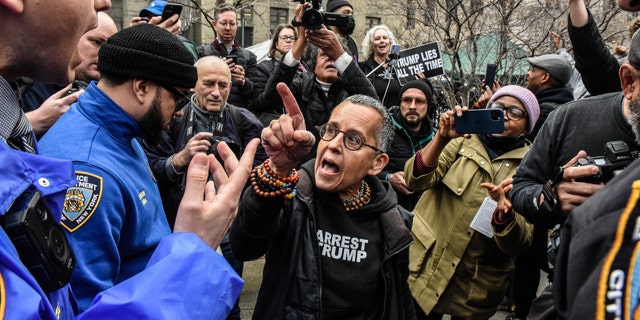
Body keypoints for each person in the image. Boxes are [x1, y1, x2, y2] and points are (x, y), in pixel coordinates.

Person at [1, 1, 258, 318]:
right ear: (142, 87)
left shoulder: (121, 131)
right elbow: (80, 308)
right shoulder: (90, 170)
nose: (180, 110)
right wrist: (196, 249)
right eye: (177, 97)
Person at [230, 83, 415, 319]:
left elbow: (399, 302)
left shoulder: (396, 224)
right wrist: (278, 170)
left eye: (353, 140)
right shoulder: (292, 198)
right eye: (330, 130)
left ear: (377, 163)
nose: (334, 145)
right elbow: (244, 246)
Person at [510, 21, 640, 320]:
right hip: (575, 285)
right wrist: (551, 196)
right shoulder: (569, 119)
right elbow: (522, 187)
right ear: (629, 81)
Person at [143, 55, 267, 320]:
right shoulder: (172, 118)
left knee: (227, 297)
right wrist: (179, 159)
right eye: (208, 83)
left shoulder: (244, 120)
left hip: (228, 229)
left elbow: (260, 172)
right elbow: (149, 168)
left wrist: (238, 180)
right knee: (181, 298)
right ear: (193, 85)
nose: (216, 92)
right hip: (178, 228)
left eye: (223, 85)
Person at [406, 85, 539, 319]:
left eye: (515, 112)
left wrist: (504, 215)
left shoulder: (531, 167)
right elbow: (414, 181)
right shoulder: (461, 141)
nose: (504, 115)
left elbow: (519, 243)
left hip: (475, 284)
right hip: (425, 267)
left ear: (528, 125)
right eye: (498, 108)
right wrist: (440, 139)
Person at [253, 3, 377, 161]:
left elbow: (374, 105)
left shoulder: (350, 92)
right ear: (313, 64)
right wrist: (300, 43)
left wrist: (339, 51)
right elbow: (272, 97)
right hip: (303, 165)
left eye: (335, 57)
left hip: (340, 163)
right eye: (324, 55)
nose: (331, 60)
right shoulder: (302, 84)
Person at [18, 12, 117, 137]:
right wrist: (36, 121)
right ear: (71, 37)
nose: (104, 54)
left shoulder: (112, 95)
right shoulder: (23, 83)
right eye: (96, 42)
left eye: (110, 48)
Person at [377, 79, 436, 211]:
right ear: (400, 103)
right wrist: (388, 178)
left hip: (419, 217)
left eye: (419, 101)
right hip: (384, 210)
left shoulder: (436, 139)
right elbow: (360, 168)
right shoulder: (381, 129)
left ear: (428, 105)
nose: (412, 106)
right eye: (407, 100)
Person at [197, 3, 257, 109]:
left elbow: (254, 94)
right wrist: (219, 69)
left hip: (237, 116)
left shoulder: (249, 57)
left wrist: (243, 81)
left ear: (237, 25)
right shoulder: (201, 53)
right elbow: (193, 87)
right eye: (223, 23)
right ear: (214, 24)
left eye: (232, 24)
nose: (228, 28)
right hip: (208, 112)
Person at [251, 23, 308, 126]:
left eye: (292, 38)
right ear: (276, 44)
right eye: (284, 38)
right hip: (274, 122)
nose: (288, 40)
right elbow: (257, 103)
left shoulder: (305, 69)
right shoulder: (263, 67)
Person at [524, 53, 574, 140]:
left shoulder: (545, 113)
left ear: (545, 77)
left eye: (533, 70)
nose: (528, 73)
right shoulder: (564, 105)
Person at [132, 0, 198, 59]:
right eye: (148, 17)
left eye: (156, 16)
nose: (151, 21)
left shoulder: (184, 45)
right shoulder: (141, 40)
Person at [359, 24, 402, 108]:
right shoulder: (363, 69)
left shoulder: (400, 67)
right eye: (377, 39)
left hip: (397, 118)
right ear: (371, 44)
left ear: (390, 42)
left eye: (385, 38)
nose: (382, 41)